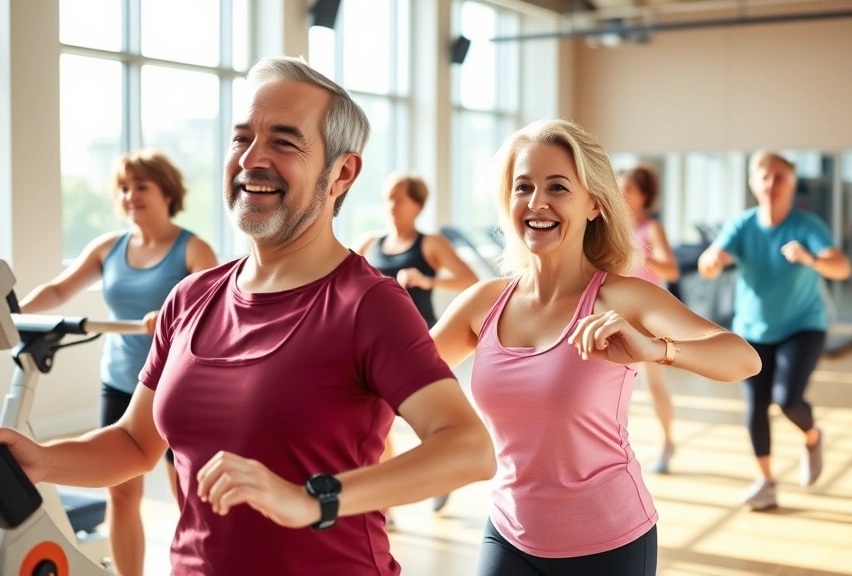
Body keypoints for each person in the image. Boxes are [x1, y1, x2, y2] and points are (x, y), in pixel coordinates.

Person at [0, 56, 495, 576]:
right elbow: (134, 444)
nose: (252, 159)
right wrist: (44, 460)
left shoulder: (369, 304)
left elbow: (467, 448)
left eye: (284, 141)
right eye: (241, 139)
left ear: (342, 172)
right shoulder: (191, 297)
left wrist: (313, 500)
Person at [431, 119, 761, 575]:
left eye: (558, 187)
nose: (536, 203)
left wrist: (655, 349)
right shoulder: (483, 303)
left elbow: (743, 359)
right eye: (523, 187)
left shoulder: (621, 297)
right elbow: (399, 381)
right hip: (509, 532)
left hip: (609, 542)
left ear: (594, 205)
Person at [17, 149, 218, 576]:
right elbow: (57, 291)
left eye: (140, 186)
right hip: (123, 384)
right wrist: (14, 317)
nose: (130, 196)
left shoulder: (193, 249)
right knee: (122, 495)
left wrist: (171, 313)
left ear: (166, 191)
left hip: (179, 387)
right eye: (124, 188)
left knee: (187, 496)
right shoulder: (110, 247)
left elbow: (216, 309)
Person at [697, 151, 851, 511]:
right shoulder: (741, 225)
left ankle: (812, 438)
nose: (771, 183)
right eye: (764, 176)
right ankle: (766, 482)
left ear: (792, 183)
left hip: (802, 326)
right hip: (752, 330)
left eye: (780, 176)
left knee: (788, 400)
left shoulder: (807, 225)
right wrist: (712, 262)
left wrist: (811, 259)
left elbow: (841, 267)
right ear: (753, 182)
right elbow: (708, 265)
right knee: (755, 406)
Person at [355, 173, 479, 518]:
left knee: (428, 423)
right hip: (376, 346)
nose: (390, 206)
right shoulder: (369, 242)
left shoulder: (431, 244)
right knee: (377, 424)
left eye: (398, 199)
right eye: (387, 198)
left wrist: (428, 279)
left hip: (419, 341)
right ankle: (385, 506)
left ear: (418, 205)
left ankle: (442, 477)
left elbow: (469, 280)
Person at [617, 164, 680, 474]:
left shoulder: (651, 229)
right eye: (617, 188)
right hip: (616, 316)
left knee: (655, 385)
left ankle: (668, 441)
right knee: (612, 390)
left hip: (649, 318)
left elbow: (671, 271)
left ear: (642, 196)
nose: (619, 194)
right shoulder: (609, 227)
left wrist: (644, 256)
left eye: (626, 189)